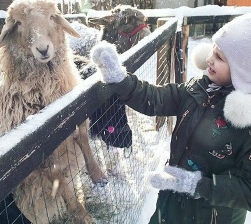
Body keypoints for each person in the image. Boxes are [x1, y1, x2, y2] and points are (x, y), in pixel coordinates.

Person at [90, 14, 251, 224]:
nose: (210, 58)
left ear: (243, 71)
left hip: (212, 216)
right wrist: (119, 79)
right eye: (213, 49)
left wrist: (197, 185)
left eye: (220, 58)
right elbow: (155, 98)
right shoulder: (198, 89)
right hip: (171, 203)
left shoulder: (245, 123)